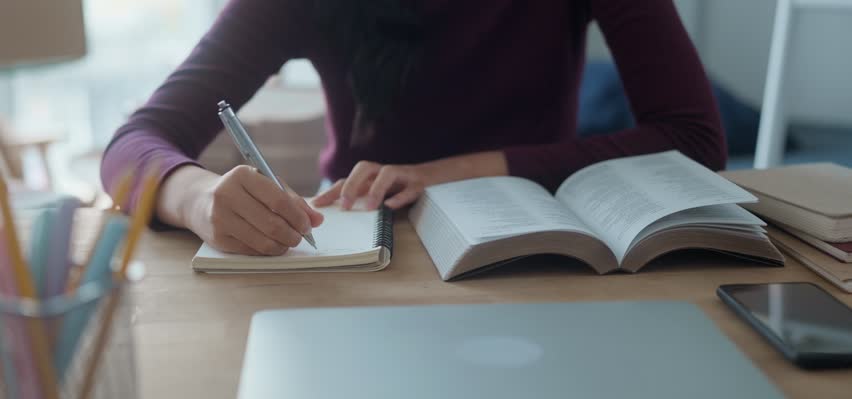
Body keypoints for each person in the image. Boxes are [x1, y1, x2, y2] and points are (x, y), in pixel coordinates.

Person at [102, 0, 725, 256]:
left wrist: (444, 172)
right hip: (362, 247)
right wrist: (199, 197)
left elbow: (695, 138)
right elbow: (135, 143)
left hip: (540, 250)